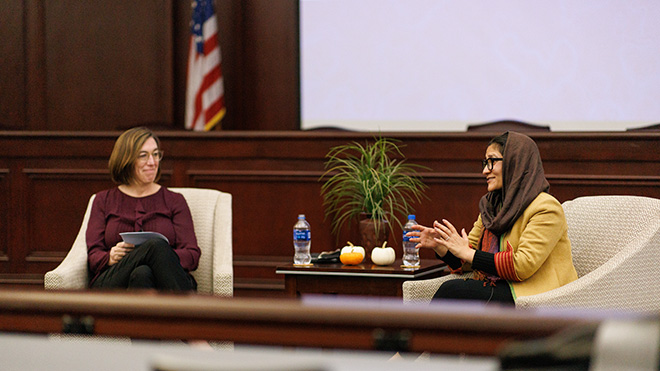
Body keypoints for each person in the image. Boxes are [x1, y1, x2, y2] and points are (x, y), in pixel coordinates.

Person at [408, 131, 578, 304]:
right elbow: (468, 258)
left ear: (515, 162)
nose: (484, 171)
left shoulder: (546, 207)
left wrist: (469, 253)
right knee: (453, 292)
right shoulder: (491, 207)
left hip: (535, 293)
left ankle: (417, 332)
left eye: (491, 162)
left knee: (451, 291)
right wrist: (442, 246)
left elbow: (522, 265)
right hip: (500, 286)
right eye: (485, 163)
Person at [86, 127, 200, 291]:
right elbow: (93, 256)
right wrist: (110, 256)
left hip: (164, 280)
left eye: (155, 154)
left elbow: (192, 255)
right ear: (126, 159)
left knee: (142, 272)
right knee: (154, 246)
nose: (152, 162)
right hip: (114, 280)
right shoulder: (103, 200)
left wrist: (158, 258)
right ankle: (186, 313)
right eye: (143, 156)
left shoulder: (174, 200)